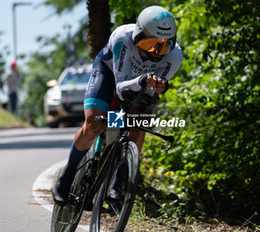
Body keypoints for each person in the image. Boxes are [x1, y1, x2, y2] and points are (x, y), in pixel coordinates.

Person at [52, 5, 183, 205]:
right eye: (149, 44)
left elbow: (148, 95)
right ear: (138, 36)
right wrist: (143, 81)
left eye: (163, 46)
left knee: (139, 125)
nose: (156, 53)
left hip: (140, 84)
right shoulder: (123, 37)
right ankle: (66, 176)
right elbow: (121, 89)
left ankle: (118, 186)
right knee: (95, 123)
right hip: (109, 74)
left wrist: (155, 88)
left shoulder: (175, 56)